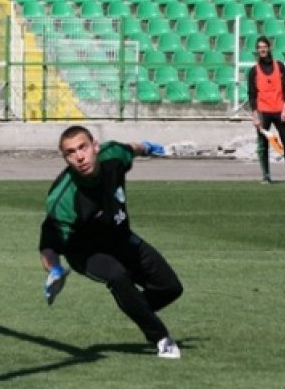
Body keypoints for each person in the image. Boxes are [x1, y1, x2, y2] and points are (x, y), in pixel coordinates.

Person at [38, 125, 184, 359]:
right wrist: (54, 269)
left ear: (95, 146)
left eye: (83, 147)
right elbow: (48, 243)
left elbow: (130, 149)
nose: (79, 156)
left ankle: (134, 306)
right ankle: (161, 339)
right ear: (65, 158)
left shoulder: (113, 155)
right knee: (118, 276)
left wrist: (147, 147)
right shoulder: (63, 197)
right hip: (86, 252)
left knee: (171, 288)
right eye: (70, 152)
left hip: (121, 239)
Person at [248, 36, 285, 184]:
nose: (262, 49)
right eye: (259, 47)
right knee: (263, 145)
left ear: (269, 48)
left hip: (279, 110)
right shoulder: (254, 71)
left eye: (264, 46)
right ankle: (266, 176)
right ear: (257, 50)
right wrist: (255, 115)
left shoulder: (280, 66)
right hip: (263, 112)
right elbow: (251, 94)